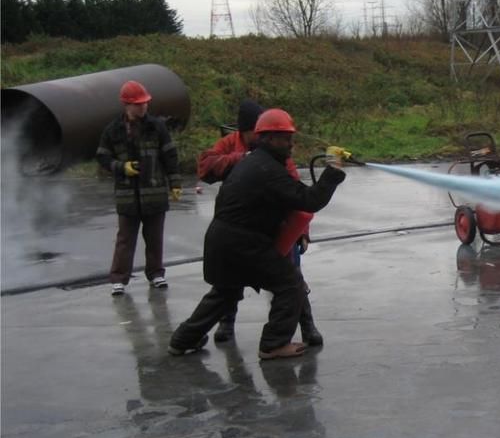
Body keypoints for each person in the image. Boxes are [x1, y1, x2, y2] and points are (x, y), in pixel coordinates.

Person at [168, 108, 346, 360]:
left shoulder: (254, 162)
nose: (291, 144)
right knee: (290, 285)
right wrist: (333, 170)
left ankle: (182, 340)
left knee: (225, 293)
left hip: (223, 241)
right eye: (285, 138)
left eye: (290, 137)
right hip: (244, 243)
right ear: (269, 138)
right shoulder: (268, 170)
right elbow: (308, 200)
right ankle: (274, 344)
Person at [197, 101, 322, 345]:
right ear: (245, 131)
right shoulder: (231, 144)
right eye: (257, 130)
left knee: (291, 278)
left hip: (272, 228)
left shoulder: (277, 152)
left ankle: (307, 325)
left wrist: (302, 232)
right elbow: (205, 166)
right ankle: (226, 324)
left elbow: (297, 194)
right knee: (228, 284)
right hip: (239, 226)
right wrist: (242, 159)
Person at [97, 80, 181, 296]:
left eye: (145, 103)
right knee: (125, 239)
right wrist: (121, 167)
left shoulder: (157, 127)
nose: (144, 107)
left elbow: (170, 155)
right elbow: (103, 156)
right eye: (139, 104)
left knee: (154, 237)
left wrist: (175, 183)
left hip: (154, 193)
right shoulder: (113, 130)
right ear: (127, 105)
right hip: (127, 196)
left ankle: (156, 274)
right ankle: (118, 279)